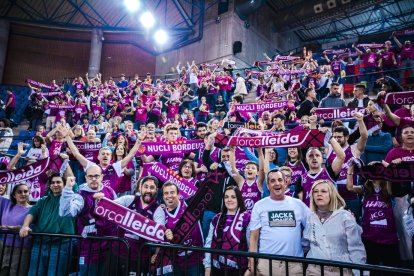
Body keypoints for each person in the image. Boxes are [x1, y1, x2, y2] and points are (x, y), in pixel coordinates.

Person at [249, 169, 310, 276]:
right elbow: (254, 237)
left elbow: (312, 226)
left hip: (294, 265)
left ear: (285, 183)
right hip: (267, 264)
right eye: (272, 181)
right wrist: (252, 262)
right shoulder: (259, 205)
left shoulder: (299, 204)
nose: (277, 183)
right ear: (267, 186)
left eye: (280, 180)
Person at [59, 164, 117, 275]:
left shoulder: (109, 191)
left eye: (96, 176)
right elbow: (65, 212)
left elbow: (120, 214)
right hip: (88, 249)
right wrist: (67, 190)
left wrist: (105, 202)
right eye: (90, 176)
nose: (94, 179)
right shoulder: (81, 195)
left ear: (102, 177)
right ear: (85, 177)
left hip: (108, 247)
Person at [303, 179, 366, 275]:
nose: (318, 194)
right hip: (315, 270)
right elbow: (306, 244)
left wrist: (359, 273)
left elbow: (356, 249)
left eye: (323, 191)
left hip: (341, 270)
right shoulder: (310, 217)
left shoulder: (345, 216)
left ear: (332, 194)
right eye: (315, 191)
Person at [20, 173, 76, 276]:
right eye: (53, 182)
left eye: (58, 182)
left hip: (61, 244)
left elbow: (71, 177)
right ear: (49, 185)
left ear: (64, 184)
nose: (55, 184)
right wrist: (25, 225)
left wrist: (66, 161)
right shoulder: (42, 200)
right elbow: (32, 213)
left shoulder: (71, 198)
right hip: (39, 243)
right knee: (34, 273)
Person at [347, 165, 400, 267]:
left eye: (377, 169)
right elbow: (350, 188)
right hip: (369, 238)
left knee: (391, 271)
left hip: (388, 240)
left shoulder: (388, 188)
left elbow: (395, 184)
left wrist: (389, 167)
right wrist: (350, 170)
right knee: (372, 270)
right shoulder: (365, 189)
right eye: (372, 169)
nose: (375, 172)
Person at [153, 182, 204, 275]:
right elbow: (159, 237)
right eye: (166, 193)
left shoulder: (189, 206)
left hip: (194, 261)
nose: (169, 196)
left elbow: (203, 192)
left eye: (172, 192)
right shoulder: (162, 213)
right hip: (174, 262)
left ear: (179, 194)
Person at [113, 176, 159, 275]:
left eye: (151, 187)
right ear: (140, 188)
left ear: (156, 190)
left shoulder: (158, 210)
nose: (148, 190)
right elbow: (111, 207)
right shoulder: (129, 199)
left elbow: (159, 235)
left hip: (140, 258)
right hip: (118, 254)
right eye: (146, 187)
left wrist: (156, 254)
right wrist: (101, 198)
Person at [204, 186, 251, 276]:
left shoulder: (247, 218)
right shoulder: (216, 218)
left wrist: (250, 269)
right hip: (217, 268)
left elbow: (251, 246)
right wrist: (207, 267)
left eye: (233, 197)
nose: (229, 200)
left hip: (239, 269)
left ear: (239, 199)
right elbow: (208, 243)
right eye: (226, 197)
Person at [0, 183, 31, 276]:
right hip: (5, 246)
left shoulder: (33, 209)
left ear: (29, 193)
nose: (23, 194)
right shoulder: (6, 204)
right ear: (14, 195)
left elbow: (32, 228)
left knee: (17, 273)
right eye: (19, 192)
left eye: (26, 191)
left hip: (22, 248)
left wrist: (14, 228)